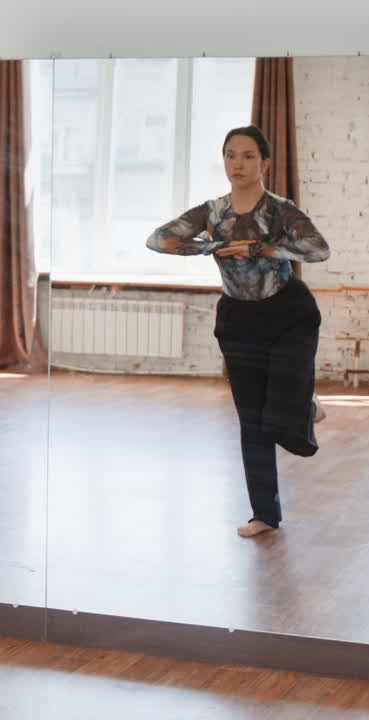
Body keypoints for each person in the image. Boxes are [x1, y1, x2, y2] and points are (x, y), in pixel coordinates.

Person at [146, 125, 330, 539]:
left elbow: (319, 249)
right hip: (239, 320)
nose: (238, 164)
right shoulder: (213, 213)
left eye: (248, 156)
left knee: (281, 417)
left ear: (264, 163)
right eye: (231, 155)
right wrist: (210, 246)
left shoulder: (281, 210)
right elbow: (158, 240)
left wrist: (261, 249)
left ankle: (304, 404)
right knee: (253, 422)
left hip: (289, 315)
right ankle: (264, 514)